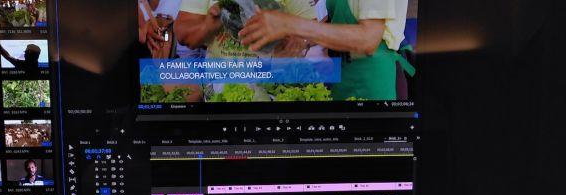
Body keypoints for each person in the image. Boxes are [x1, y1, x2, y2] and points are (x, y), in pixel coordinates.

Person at [237, 0, 413, 100]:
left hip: (371, 80)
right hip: (342, 73)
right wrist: (301, 39)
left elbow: (368, 39)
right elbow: (336, 19)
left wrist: (289, 24)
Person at [175, 0, 316, 101]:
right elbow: (183, 36)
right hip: (220, 88)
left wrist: (295, 39)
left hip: (274, 87)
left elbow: (313, 30)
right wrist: (210, 23)